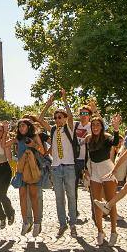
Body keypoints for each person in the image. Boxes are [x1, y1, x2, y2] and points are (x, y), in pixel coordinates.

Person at [47, 89, 80, 238]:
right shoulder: (53, 130)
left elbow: (71, 116)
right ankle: (62, 224)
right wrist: (49, 103)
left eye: (60, 117)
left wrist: (65, 99)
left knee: (71, 196)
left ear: (65, 118)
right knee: (59, 198)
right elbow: (40, 119)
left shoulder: (69, 128)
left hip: (69, 166)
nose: (57, 120)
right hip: (56, 167)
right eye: (55, 118)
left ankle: (73, 224)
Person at [85, 115, 122, 245]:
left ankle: (113, 231)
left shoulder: (107, 138)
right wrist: (85, 170)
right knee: (96, 202)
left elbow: (115, 142)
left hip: (107, 169)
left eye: (98, 125)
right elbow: (87, 156)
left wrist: (116, 129)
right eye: (93, 125)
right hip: (94, 170)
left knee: (111, 202)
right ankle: (100, 231)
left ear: (102, 127)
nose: (95, 127)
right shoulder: (88, 139)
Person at [14, 118, 46, 236]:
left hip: (33, 169)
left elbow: (43, 151)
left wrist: (33, 145)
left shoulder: (35, 137)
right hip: (21, 170)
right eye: (19, 126)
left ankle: (37, 223)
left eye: (23, 125)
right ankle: (25, 222)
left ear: (28, 127)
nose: (21, 128)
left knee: (33, 196)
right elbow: (5, 145)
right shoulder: (18, 138)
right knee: (22, 196)